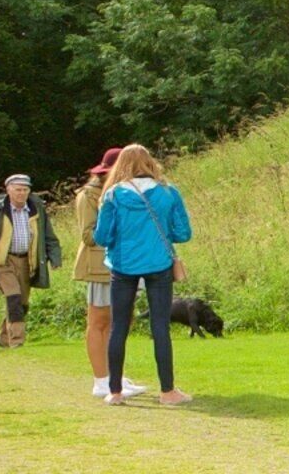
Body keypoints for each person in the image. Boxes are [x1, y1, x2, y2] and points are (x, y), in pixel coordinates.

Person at [90, 144, 193, 408]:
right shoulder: (168, 192)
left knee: (119, 327)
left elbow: (101, 236)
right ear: (150, 162)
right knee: (160, 326)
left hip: (123, 266)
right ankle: (167, 391)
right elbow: (183, 233)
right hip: (158, 264)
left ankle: (115, 391)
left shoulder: (113, 195)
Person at [0, 174, 60, 351]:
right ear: (8, 190)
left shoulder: (36, 208)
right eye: (18, 189)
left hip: (27, 260)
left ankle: (4, 337)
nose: (21, 193)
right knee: (13, 297)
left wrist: (55, 258)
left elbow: (49, 236)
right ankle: (17, 341)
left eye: (25, 190)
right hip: (3, 261)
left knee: (22, 303)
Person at [66, 149, 124, 395]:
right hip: (100, 266)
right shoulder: (89, 196)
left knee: (118, 323)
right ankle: (101, 379)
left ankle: (114, 377)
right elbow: (88, 236)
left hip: (123, 263)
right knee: (99, 322)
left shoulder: (122, 194)